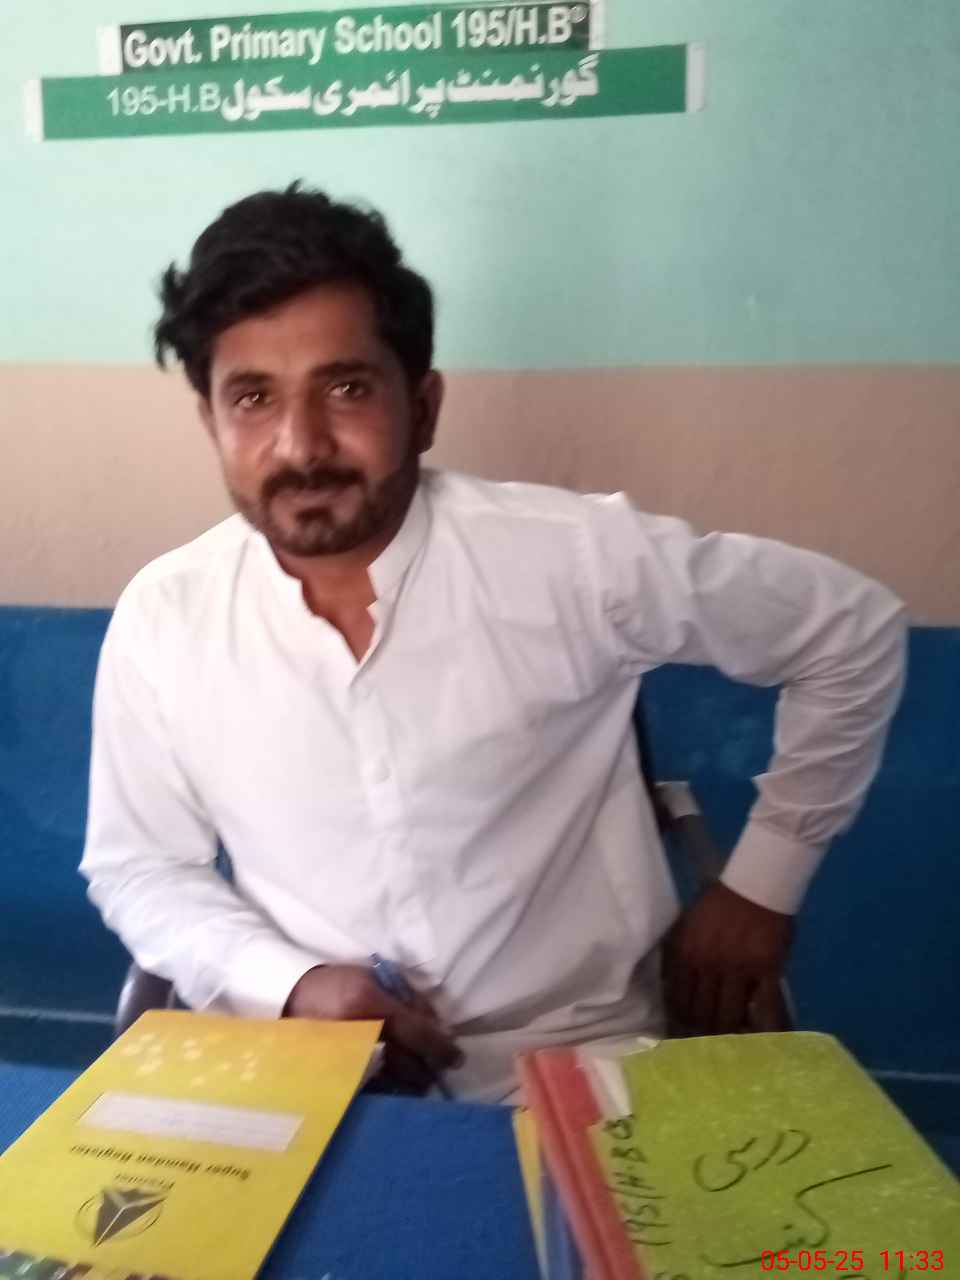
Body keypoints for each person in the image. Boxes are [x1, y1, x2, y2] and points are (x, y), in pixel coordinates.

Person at [81, 183, 907, 1102]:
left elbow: (851, 627)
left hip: (576, 1057)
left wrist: (762, 886)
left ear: (423, 405)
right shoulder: (166, 617)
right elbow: (140, 864)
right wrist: (292, 985)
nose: (300, 445)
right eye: (252, 398)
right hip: (299, 1060)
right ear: (211, 420)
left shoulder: (573, 560)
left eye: (346, 388)